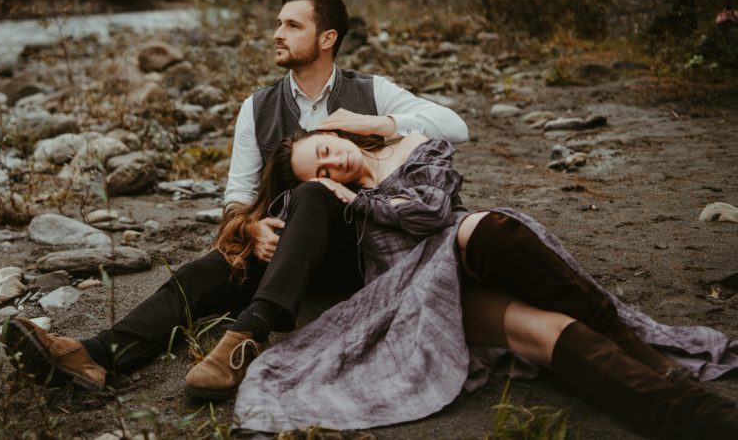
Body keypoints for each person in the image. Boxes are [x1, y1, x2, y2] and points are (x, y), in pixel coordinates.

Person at [4, 0, 469, 398]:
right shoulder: (258, 107)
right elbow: (237, 197)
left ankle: (246, 335)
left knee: (313, 194)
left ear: (327, 38)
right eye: (277, 23)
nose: (277, 34)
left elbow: (455, 126)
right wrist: (250, 226)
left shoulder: (371, 92)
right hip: (293, 254)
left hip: (364, 251)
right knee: (209, 268)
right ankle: (96, 355)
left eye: (292, 25)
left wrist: (375, 122)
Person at [231, 128, 738, 439]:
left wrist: (359, 191)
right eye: (322, 172)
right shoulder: (336, 209)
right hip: (421, 293)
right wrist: (257, 226)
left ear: (335, 133)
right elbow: (285, 227)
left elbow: (431, 213)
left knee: (484, 227)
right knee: (544, 333)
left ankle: (649, 357)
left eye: (325, 150)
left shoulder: (413, 148)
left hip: (472, 250)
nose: (332, 166)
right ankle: (700, 419)